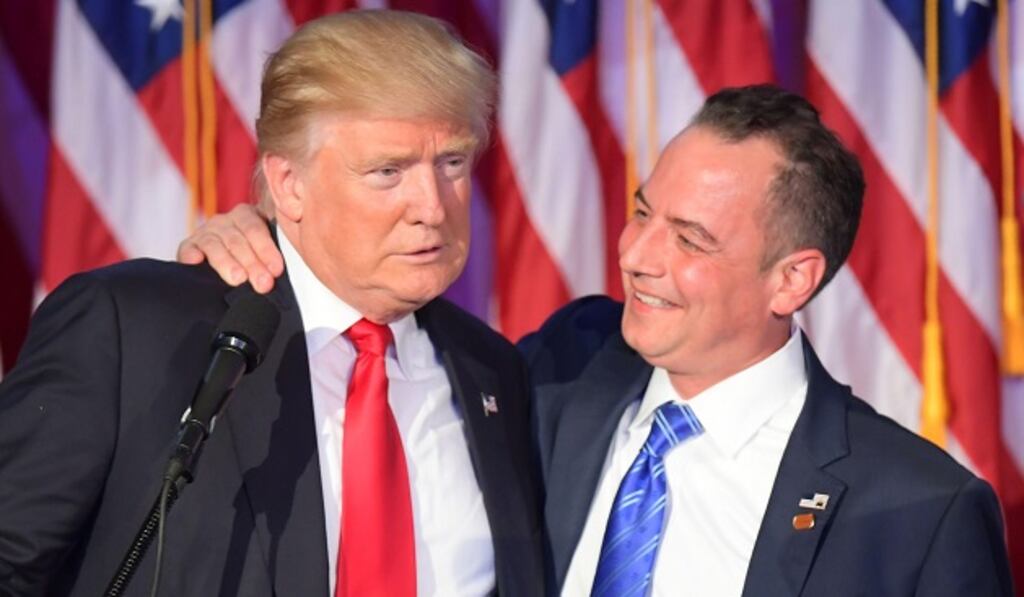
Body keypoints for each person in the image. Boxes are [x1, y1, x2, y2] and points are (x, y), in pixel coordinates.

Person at [179, 85, 1014, 596]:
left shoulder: (919, 511)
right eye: (644, 211)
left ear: (791, 280)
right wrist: (273, 244)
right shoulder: (561, 366)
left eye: (690, 239)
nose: (637, 255)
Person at [0, 11, 543, 597]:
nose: (433, 208)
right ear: (288, 184)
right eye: (388, 171)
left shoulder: (495, 372)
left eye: (452, 162)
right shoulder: (129, 330)